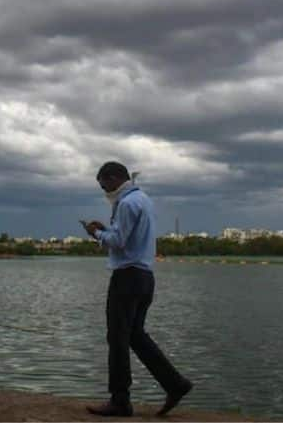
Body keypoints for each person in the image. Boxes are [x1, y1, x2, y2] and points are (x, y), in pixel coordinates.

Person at [83, 161, 193, 417]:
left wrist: (96, 234)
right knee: (135, 335)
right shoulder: (143, 199)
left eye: (103, 185)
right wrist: (107, 229)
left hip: (127, 277)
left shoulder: (126, 203)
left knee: (117, 338)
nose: (104, 191)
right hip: (145, 277)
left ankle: (120, 400)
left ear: (112, 179)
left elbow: (119, 242)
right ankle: (175, 384)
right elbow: (129, 237)